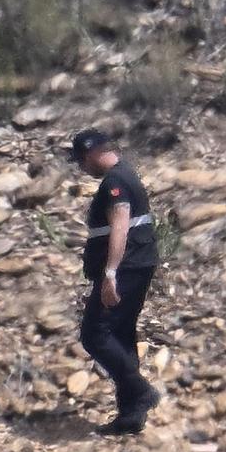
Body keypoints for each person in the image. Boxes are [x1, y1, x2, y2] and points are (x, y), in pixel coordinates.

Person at [69, 129, 162, 434]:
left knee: (95, 334)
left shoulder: (115, 182)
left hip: (125, 267)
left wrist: (110, 273)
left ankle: (140, 391)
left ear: (94, 151)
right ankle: (130, 415)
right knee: (121, 336)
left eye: (82, 160)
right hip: (136, 264)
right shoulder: (126, 175)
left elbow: (120, 227)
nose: (83, 167)